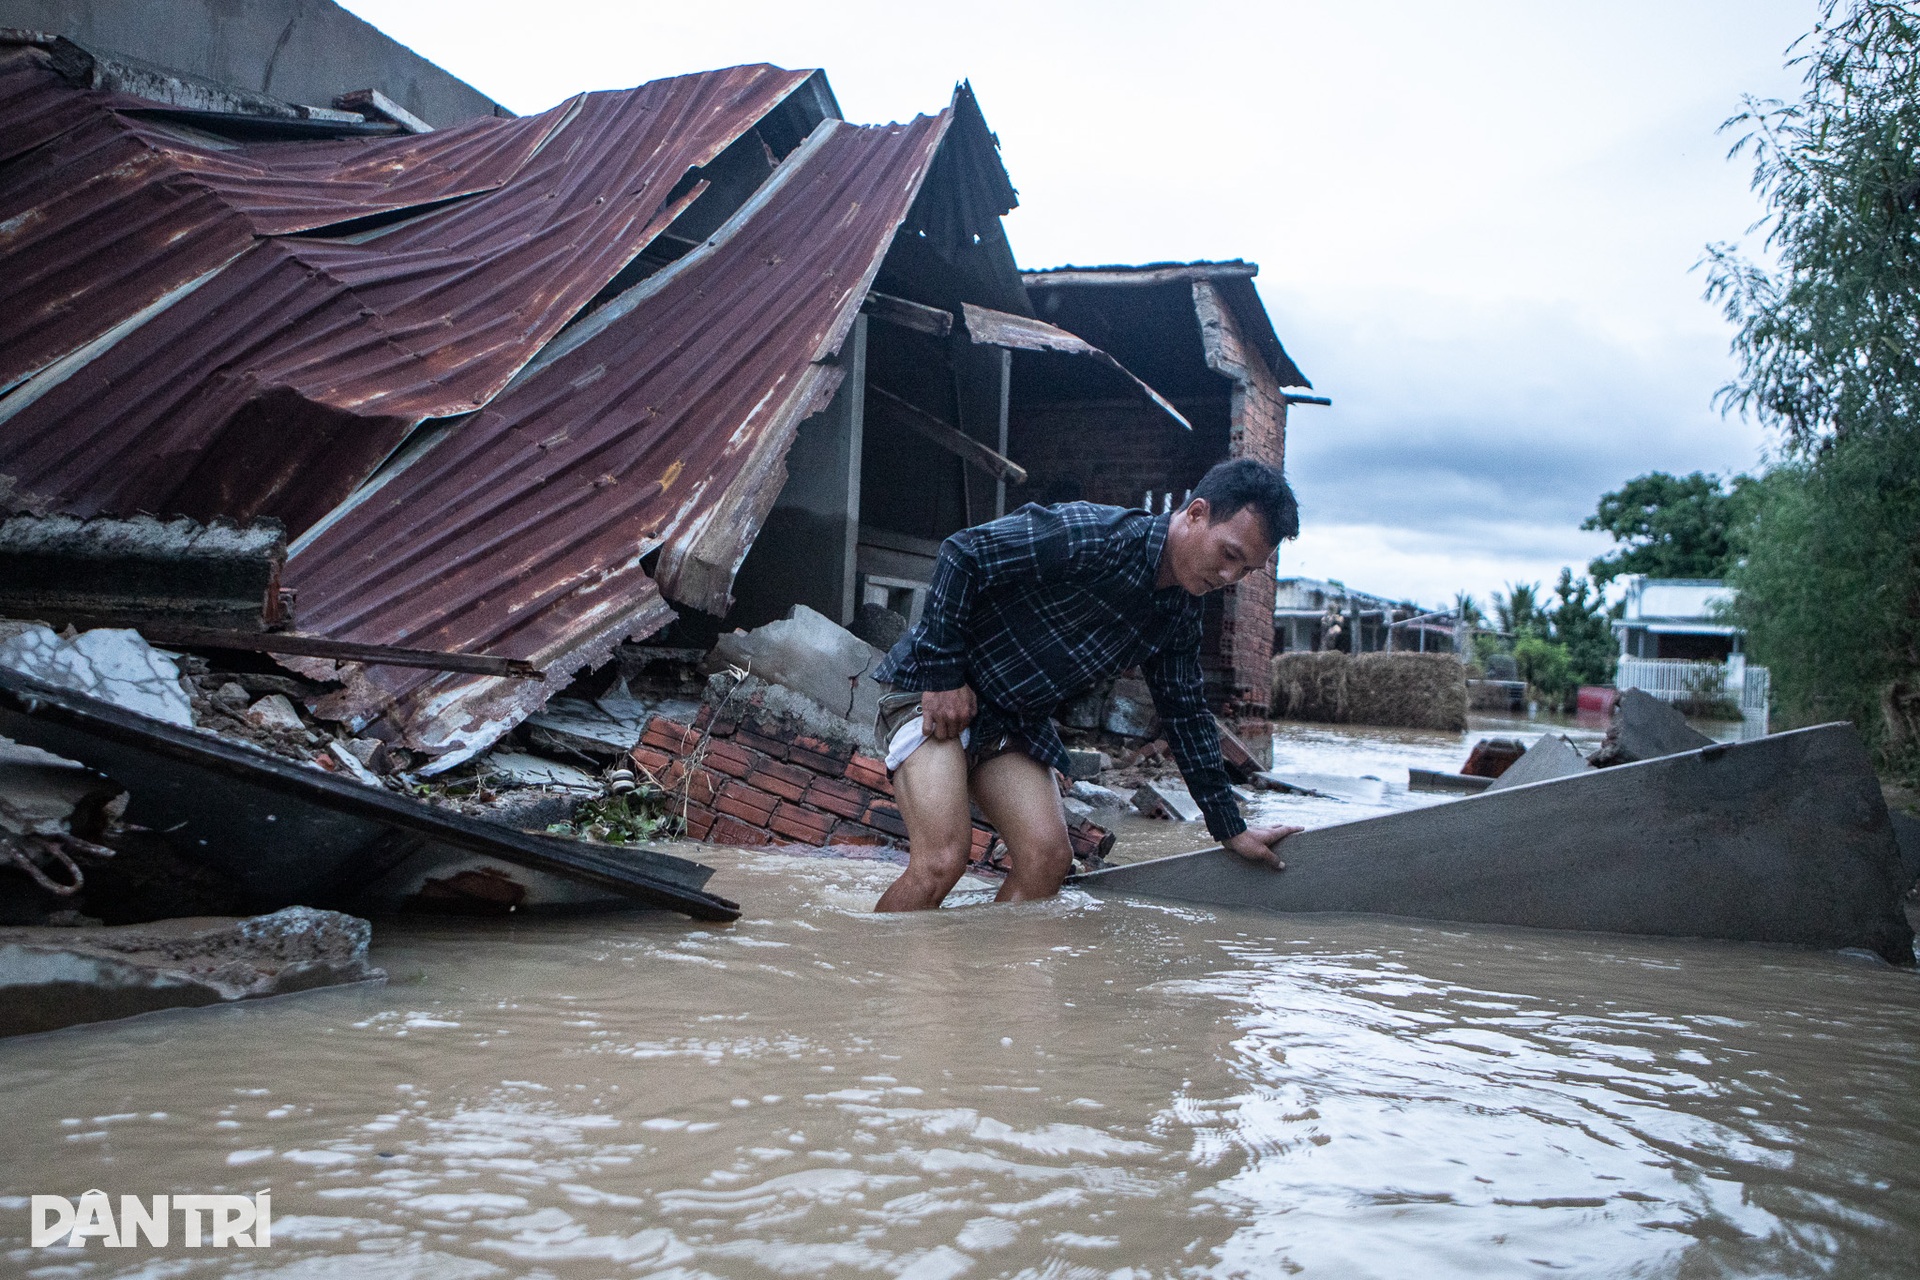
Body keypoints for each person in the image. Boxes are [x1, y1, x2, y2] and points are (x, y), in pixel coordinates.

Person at [870, 457, 1304, 912]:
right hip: (931, 690)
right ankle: (874, 979)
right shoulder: (1093, 535)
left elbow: (1187, 716)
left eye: (1247, 570)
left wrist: (1230, 827)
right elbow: (964, 553)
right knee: (942, 860)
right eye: (1230, 555)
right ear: (1196, 514)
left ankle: (985, 979)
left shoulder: (1179, 614)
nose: (1230, 577)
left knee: (1048, 861)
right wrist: (945, 675)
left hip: (1011, 721)